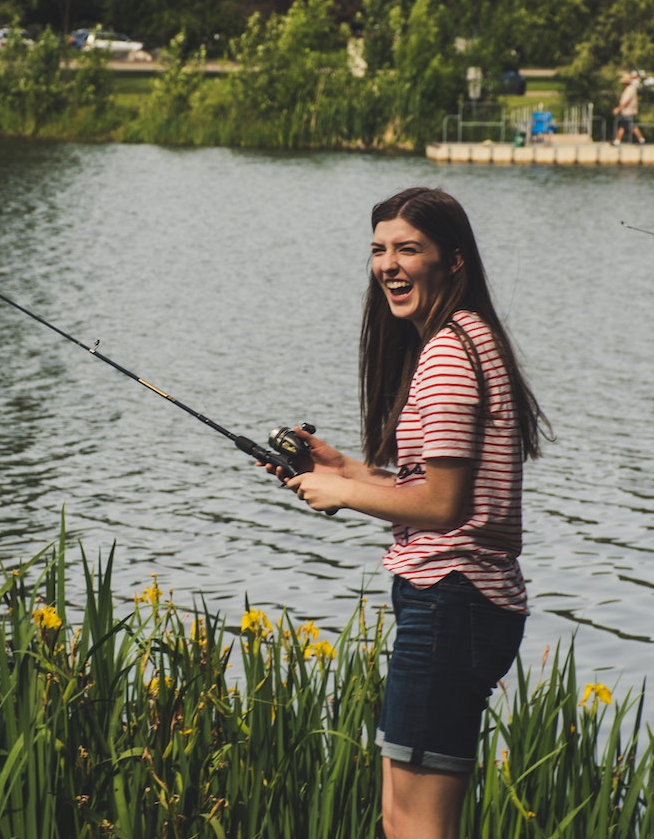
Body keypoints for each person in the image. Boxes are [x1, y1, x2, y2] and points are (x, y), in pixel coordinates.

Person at [267, 187, 549, 838]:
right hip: (461, 602)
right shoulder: (469, 337)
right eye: (378, 249)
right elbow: (434, 483)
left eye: (407, 249)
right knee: (403, 819)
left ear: (453, 260)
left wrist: (340, 494)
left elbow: (444, 506)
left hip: (451, 600)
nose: (388, 263)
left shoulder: (448, 353)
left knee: (416, 827)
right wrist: (347, 470)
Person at [612, 71, 646, 145]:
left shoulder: (630, 89)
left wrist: (618, 108)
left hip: (628, 111)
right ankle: (640, 139)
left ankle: (618, 140)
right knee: (626, 125)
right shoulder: (629, 89)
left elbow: (626, 101)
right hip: (627, 111)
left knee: (627, 125)